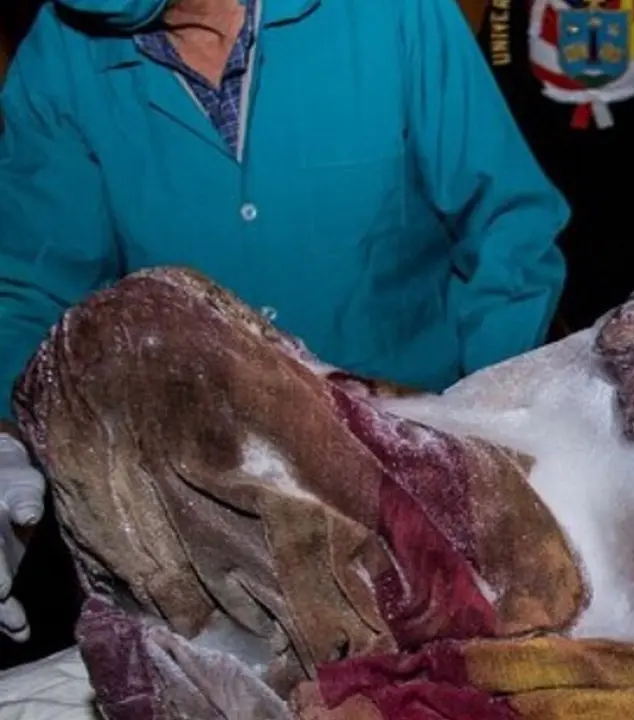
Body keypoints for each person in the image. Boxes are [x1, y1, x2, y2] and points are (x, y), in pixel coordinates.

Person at [0, 0, 569, 646]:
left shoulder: (390, 14)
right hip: (206, 522)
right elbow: (35, 285)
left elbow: (508, 226)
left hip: (422, 474)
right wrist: (5, 439)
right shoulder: (60, 54)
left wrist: (480, 429)